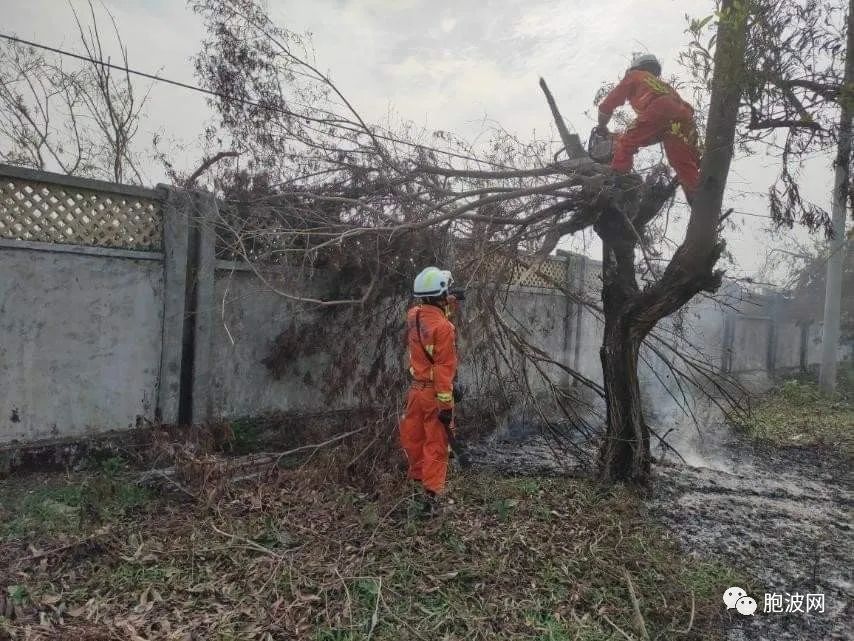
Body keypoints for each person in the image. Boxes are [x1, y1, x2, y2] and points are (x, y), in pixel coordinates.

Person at [596, 53, 701, 199]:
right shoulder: (661, 86)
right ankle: (697, 198)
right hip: (683, 118)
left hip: (660, 107)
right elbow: (651, 131)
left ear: (635, 67)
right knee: (680, 160)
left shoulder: (635, 75)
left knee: (627, 141)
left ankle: (619, 182)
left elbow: (608, 105)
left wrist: (601, 125)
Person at [399, 266, 459, 513]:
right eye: (448, 291)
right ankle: (432, 500)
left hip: (415, 392)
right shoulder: (445, 329)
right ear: (441, 294)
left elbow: (431, 319)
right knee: (436, 445)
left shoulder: (412, 316)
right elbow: (444, 368)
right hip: (435, 394)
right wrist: (446, 407)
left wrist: (450, 301)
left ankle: (415, 489)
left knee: (415, 439)